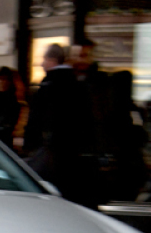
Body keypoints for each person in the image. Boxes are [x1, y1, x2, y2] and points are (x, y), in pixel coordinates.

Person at [24, 43, 98, 206]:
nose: (42, 64)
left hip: (52, 155)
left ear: (52, 60)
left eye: (44, 59)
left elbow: (35, 123)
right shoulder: (79, 86)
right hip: (75, 157)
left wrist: (29, 145)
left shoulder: (47, 87)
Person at [101, 70, 149, 202]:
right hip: (128, 162)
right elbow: (139, 133)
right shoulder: (131, 109)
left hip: (121, 162)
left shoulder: (110, 109)